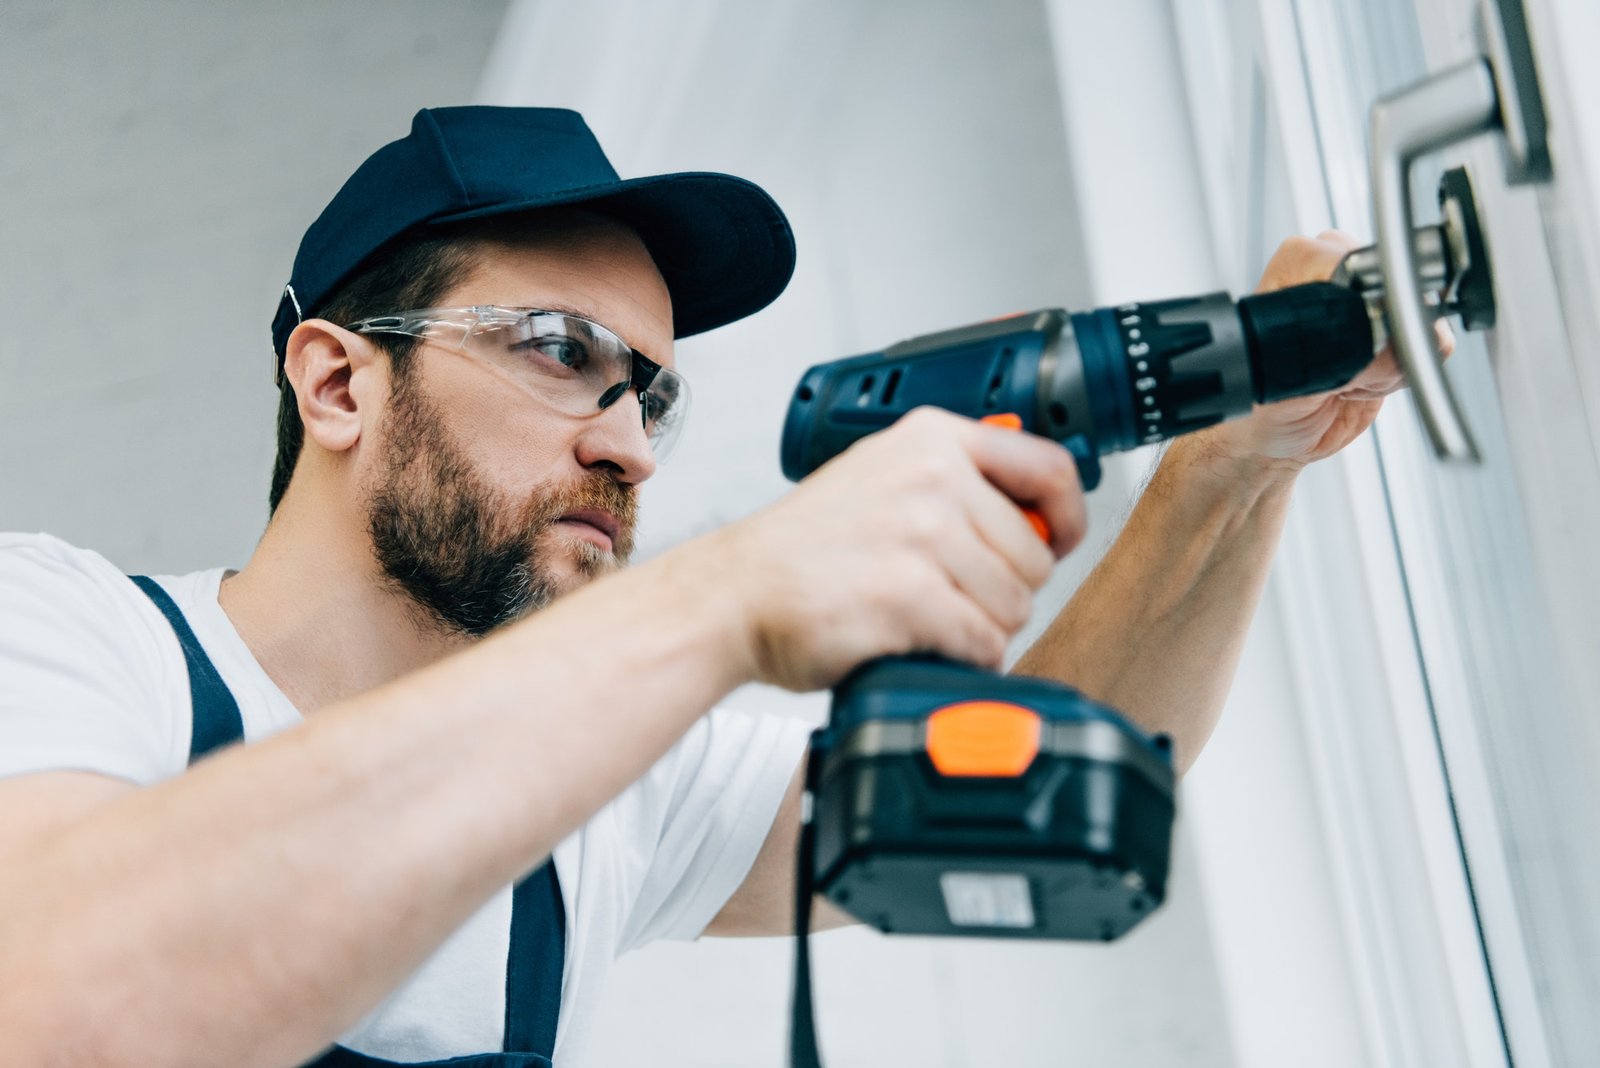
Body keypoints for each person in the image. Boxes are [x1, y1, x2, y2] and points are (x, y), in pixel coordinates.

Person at [0, 106, 1436, 1068]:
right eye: (558, 349)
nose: (628, 444)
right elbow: (67, 1000)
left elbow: (1050, 769)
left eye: (652, 393)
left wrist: (1231, 472)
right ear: (336, 384)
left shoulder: (604, 792)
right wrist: (725, 596)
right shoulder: (70, 640)